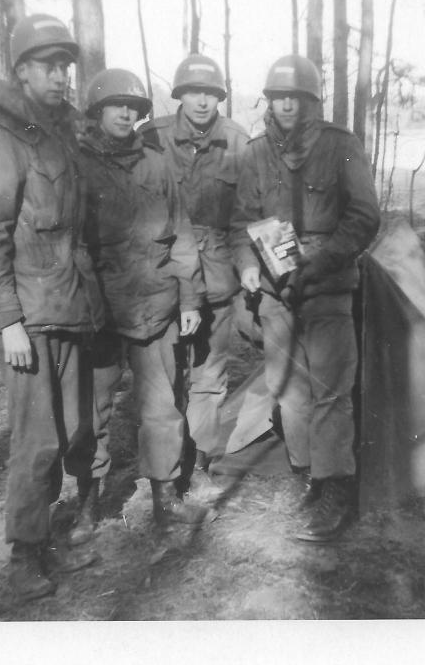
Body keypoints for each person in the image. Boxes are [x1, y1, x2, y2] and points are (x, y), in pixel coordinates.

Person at [0, 13, 103, 601]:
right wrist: (8, 320)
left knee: (70, 433)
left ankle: (47, 539)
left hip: (69, 308)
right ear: (21, 71)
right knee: (36, 440)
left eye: (66, 65)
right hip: (28, 318)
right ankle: (24, 554)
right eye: (49, 65)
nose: (62, 75)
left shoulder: (59, 135)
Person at [230, 54, 380, 543]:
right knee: (288, 392)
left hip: (328, 288)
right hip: (275, 295)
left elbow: (363, 217)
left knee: (331, 391)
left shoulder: (342, 146)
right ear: (269, 101)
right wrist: (248, 266)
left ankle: (335, 486)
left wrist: (318, 261)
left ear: (312, 100)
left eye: (296, 96)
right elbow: (241, 223)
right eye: (279, 96)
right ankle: (308, 478)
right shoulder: (254, 154)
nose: (287, 104)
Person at [75, 67, 211, 531]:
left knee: (161, 409)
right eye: (116, 105)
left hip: (156, 306)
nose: (125, 113)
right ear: (97, 111)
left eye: (133, 107)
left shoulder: (157, 165)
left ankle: (165, 500)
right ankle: (87, 505)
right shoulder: (77, 166)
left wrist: (190, 299)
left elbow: (183, 236)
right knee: (90, 413)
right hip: (99, 312)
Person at [139, 55, 249, 474]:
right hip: (164, 277)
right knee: (165, 380)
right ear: (179, 95)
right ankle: (165, 468)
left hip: (218, 278)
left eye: (210, 93)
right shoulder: (150, 137)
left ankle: (199, 461)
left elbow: (248, 214)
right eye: (193, 92)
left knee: (208, 377)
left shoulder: (238, 141)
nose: (202, 101)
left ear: (219, 97)